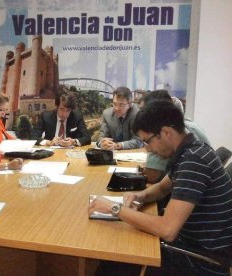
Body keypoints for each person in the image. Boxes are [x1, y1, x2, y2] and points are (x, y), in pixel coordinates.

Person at [88, 101, 232, 275]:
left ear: (166, 132)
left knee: (115, 263)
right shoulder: (192, 151)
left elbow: (167, 230)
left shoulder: (194, 161)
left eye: (147, 141)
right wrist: (140, 196)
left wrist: (114, 207)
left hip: (200, 261)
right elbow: (162, 188)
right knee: (114, 258)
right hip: (188, 245)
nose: (148, 149)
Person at [142, 90, 211, 183]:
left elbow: (152, 176)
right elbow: (165, 185)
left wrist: (151, 147)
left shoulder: (189, 155)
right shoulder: (186, 126)